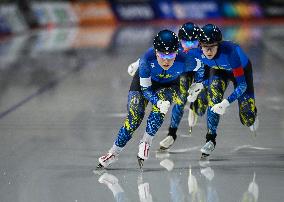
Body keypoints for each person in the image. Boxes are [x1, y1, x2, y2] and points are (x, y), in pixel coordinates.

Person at [97, 29, 204, 169]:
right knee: (134, 117)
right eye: (161, 55)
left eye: (171, 55)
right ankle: (114, 153)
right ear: (155, 52)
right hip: (146, 83)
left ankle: (146, 141)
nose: (166, 60)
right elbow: (146, 90)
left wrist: (198, 83)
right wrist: (157, 102)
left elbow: (201, 67)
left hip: (169, 85)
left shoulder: (186, 60)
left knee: (163, 104)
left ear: (177, 52)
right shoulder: (147, 59)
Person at [128, 22, 208, 150]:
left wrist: (200, 85)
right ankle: (172, 133)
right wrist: (137, 64)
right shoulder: (176, 49)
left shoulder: (204, 50)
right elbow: (152, 55)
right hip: (182, 73)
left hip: (199, 74)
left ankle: (195, 107)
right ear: (180, 41)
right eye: (186, 43)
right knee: (180, 100)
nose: (190, 46)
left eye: (194, 43)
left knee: (200, 105)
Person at [187, 24, 259, 159]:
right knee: (214, 97)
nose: (208, 51)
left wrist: (226, 103)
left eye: (212, 47)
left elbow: (242, 85)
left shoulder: (230, 52)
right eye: (205, 47)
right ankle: (210, 139)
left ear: (218, 45)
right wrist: (200, 85)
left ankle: (252, 112)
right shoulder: (195, 52)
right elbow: (171, 55)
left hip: (240, 71)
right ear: (199, 46)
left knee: (247, 119)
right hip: (219, 70)